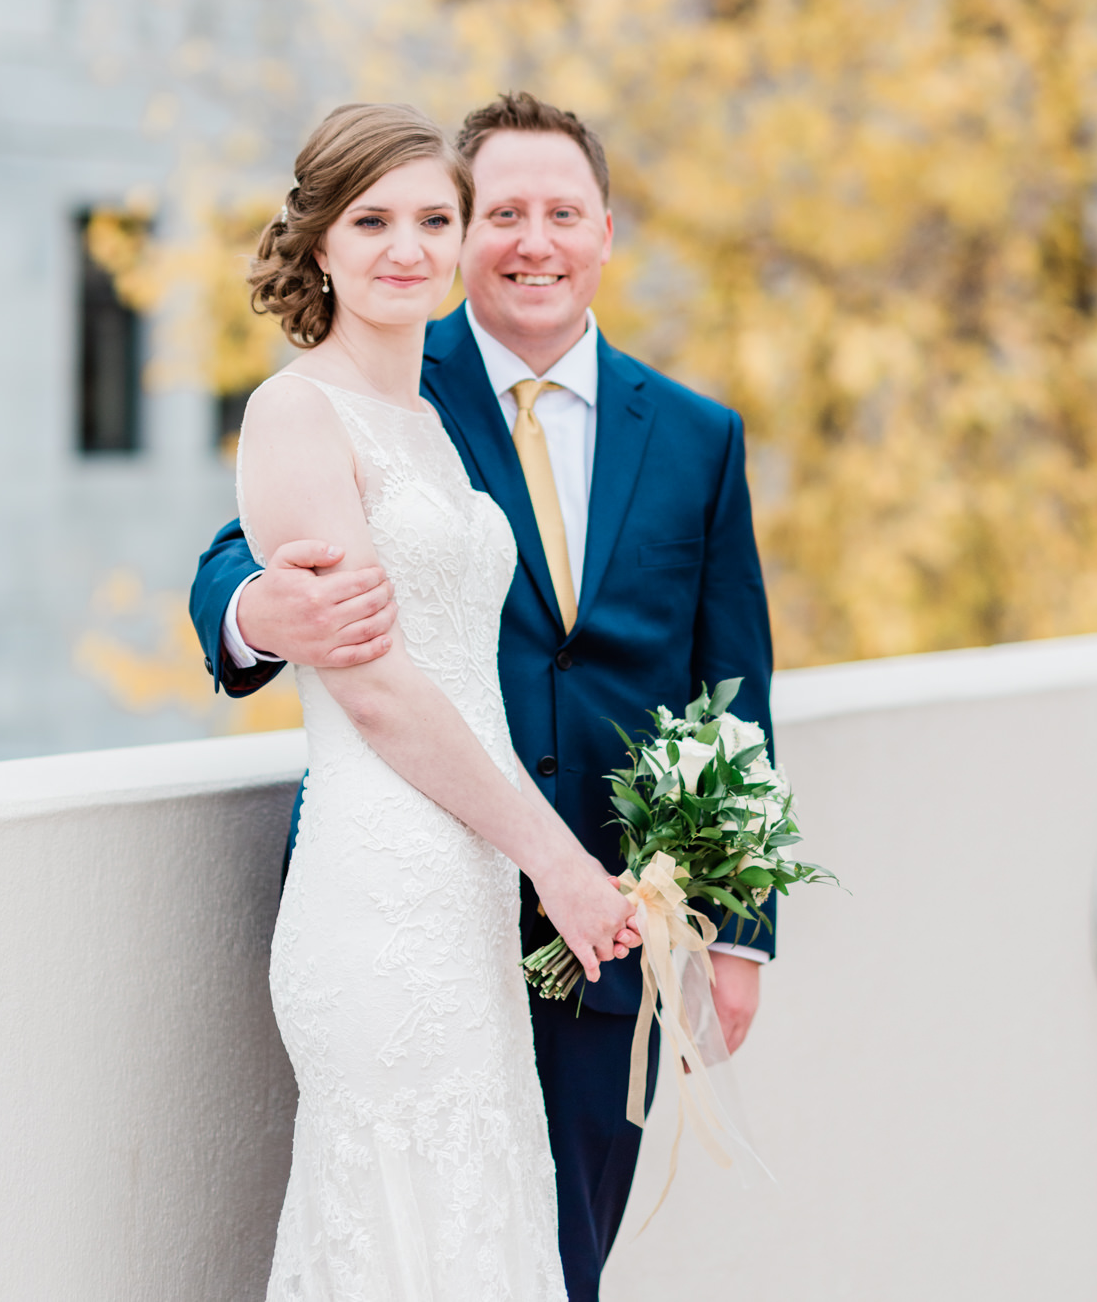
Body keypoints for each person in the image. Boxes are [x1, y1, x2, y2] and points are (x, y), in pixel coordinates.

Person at [191, 92, 777, 1302]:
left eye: (559, 211)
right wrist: (256, 611)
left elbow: (734, 693)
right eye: (502, 210)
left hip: (608, 922)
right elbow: (242, 556)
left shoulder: (696, 436)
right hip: (422, 891)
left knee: (535, 1253)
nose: (530, 240)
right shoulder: (384, 369)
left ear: (605, 231)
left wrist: (737, 925)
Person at [232, 101, 639, 1302]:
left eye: (432, 219)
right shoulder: (295, 413)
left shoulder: (425, 425)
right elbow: (384, 697)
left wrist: (518, 866)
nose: (405, 247)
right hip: (380, 894)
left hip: (466, 892)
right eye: (371, 220)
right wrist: (556, 862)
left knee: (479, 1222)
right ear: (319, 245)